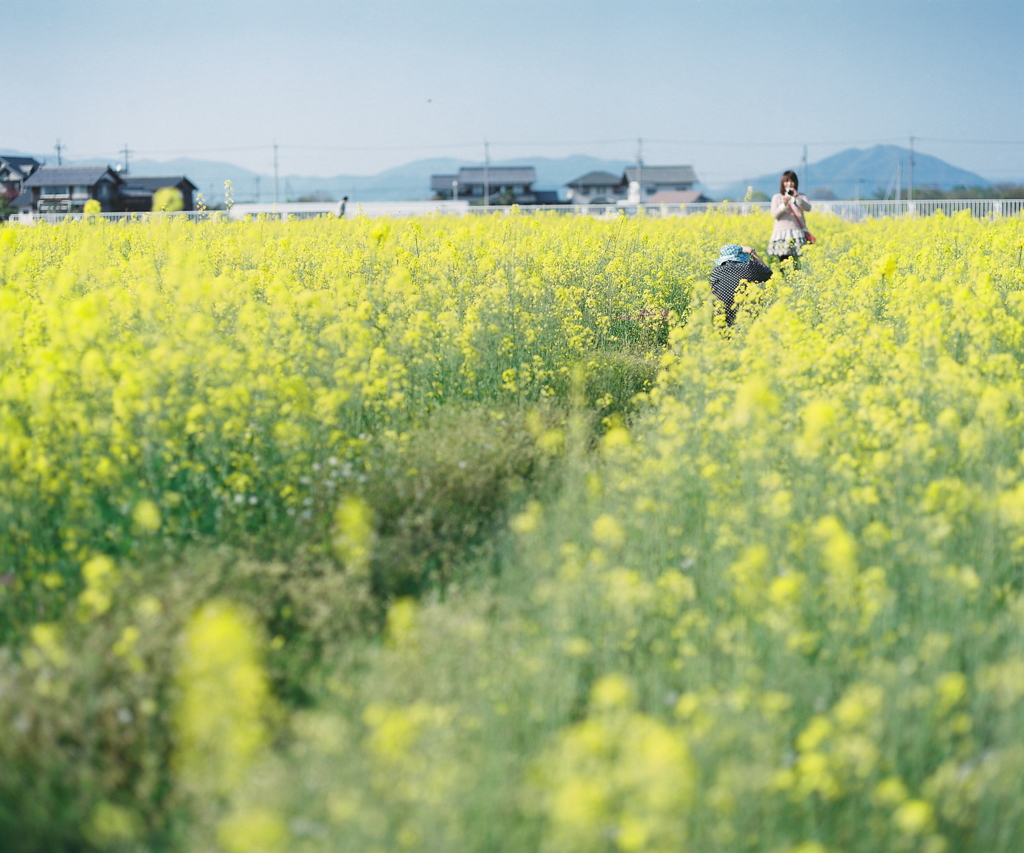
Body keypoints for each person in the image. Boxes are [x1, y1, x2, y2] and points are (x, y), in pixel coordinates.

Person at [709, 244, 773, 326]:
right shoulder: (749, 266)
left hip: (721, 317)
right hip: (745, 316)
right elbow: (768, 274)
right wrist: (752, 253)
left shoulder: (715, 272)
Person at [768, 170, 812, 265]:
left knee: (797, 263)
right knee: (783, 263)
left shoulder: (801, 196)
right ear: (782, 183)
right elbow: (774, 215)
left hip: (797, 233)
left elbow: (808, 208)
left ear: (796, 183)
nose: (789, 184)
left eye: (792, 181)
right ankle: (784, 279)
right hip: (781, 234)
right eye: (786, 181)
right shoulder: (777, 197)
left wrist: (797, 198)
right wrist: (783, 205)